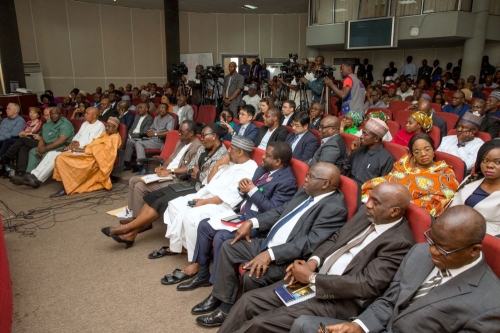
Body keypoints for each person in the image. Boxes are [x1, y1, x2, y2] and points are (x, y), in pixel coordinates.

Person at [219, 182, 416, 333]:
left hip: (337, 299)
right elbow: (337, 238)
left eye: (375, 202)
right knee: (248, 301)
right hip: (313, 279)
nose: (368, 204)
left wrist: (313, 279)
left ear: (394, 212)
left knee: (261, 322)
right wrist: (312, 263)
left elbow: (367, 284)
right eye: (369, 198)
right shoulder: (368, 213)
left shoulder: (399, 242)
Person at [292, 205, 500, 333]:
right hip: (377, 327)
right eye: (432, 241)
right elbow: (389, 300)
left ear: (474, 251)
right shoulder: (419, 253)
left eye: (444, 250)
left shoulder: (492, 304)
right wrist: (360, 327)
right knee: (304, 325)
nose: (433, 252)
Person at [193, 162, 348, 327]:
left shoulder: (334, 208)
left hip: (287, 258)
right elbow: (281, 211)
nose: (305, 179)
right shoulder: (307, 191)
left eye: (310, 176)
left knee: (251, 276)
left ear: (325, 183)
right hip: (269, 242)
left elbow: (310, 243)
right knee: (228, 245)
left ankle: (238, 315)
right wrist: (252, 222)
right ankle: (222, 301)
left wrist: (271, 254)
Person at [176, 142, 297, 290]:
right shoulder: (263, 168)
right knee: (204, 225)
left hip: (257, 224)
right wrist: (242, 188)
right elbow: (246, 192)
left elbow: (273, 211)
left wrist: (252, 190)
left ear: (277, 162)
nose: (263, 157)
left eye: (267, 155)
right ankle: (202, 275)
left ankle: (217, 285)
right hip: (241, 215)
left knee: (221, 236)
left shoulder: (287, 181)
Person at [102, 124, 228, 248]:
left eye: (204, 135)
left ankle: (127, 229)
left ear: (214, 136)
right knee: (154, 196)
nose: (201, 138)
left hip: (199, 189)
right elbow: (191, 167)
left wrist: (198, 172)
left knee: (162, 201)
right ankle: (131, 234)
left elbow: (209, 180)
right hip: (190, 183)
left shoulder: (222, 154)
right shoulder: (204, 148)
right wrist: (197, 171)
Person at [159, 136, 257, 270]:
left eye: (232, 149)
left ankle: (196, 261)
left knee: (190, 216)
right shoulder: (230, 162)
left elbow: (229, 197)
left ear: (240, 152)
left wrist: (205, 202)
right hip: (205, 195)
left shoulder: (249, 170)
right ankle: (184, 247)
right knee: (173, 205)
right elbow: (209, 181)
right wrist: (217, 165)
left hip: (222, 206)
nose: (228, 150)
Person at [124, 120, 202, 223]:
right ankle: (132, 212)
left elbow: (189, 168)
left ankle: (137, 221)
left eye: (181, 132)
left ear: (191, 133)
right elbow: (171, 158)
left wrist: (170, 171)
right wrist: (163, 166)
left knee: (140, 186)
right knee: (133, 180)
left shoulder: (198, 147)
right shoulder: (181, 141)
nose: (179, 134)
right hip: (167, 174)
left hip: (177, 179)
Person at [363, 133, 459, 216]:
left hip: (409, 210)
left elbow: (442, 199)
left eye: (427, 149)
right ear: (412, 155)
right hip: (387, 199)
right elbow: (391, 179)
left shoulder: (444, 171)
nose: (423, 154)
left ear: (433, 151)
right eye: (417, 152)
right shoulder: (405, 163)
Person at [12, 107, 104, 188]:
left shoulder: (99, 125)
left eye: (88, 113)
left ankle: (37, 180)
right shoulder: (85, 124)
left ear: (95, 115)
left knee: (56, 156)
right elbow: (78, 135)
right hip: (74, 146)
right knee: (51, 154)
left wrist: (76, 144)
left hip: (84, 150)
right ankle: (33, 175)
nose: (85, 114)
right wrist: (73, 142)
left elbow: (92, 141)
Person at [50, 117, 121, 197]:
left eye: (109, 126)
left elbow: (106, 153)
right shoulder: (106, 134)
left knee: (64, 159)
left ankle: (66, 188)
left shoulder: (115, 138)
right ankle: (67, 183)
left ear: (115, 127)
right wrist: (82, 148)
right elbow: (94, 143)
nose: (106, 128)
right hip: (89, 153)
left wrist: (84, 151)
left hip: (96, 160)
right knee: (61, 157)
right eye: (106, 126)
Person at [451, 140, 500, 237]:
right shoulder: (472, 179)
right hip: (455, 228)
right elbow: (453, 207)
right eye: (485, 160)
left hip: (487, 238)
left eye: (497, 162)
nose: (489, 165)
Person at [23, 107, 74, 177]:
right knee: (33, 151)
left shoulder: (65, 124)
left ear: (61, 114)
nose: (53, 115)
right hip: (47, 146)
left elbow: (61, 141)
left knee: (48, 154)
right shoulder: (47, 124)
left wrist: (45, 149)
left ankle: (36, 177)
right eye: (51, 114)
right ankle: (28, 174)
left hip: (61, 147)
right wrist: (40, 148)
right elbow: (42, 138)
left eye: (56, 114)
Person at [0, 108, 50, 177]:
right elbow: (21, 134)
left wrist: (38, 137)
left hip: (40, 142)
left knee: (21, 140)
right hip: (35, 139)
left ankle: (4, 158)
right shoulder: (44, 122)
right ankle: (21, 171)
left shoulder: (41, 122)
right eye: (45, 115)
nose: (46, 117)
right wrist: (37, 136)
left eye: (48, 115)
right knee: (23, 148)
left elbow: (38, 134)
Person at [348, 118, 395, 185]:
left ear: (376, 139)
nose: (361, 137)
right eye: (362, 133)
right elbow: (345, 169)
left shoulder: (387, 159)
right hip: (350, 187)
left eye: (365, 134)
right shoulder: (358, 149)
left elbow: (385, 185)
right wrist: (350, 151)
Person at [123, 103, 154, 171]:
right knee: (124, 139)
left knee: (129, 141)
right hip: (132, 136)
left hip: (140, 138)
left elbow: (144, 133)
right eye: (138, 108)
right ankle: (126, 163)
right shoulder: (137, 116)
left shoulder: (149, 119)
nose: (139, 109)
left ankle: (127, 163)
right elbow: (132, 127)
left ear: (146, 109)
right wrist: (128, 134)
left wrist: (130, 136)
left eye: (141, 108)